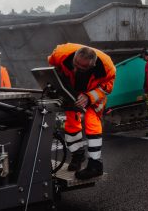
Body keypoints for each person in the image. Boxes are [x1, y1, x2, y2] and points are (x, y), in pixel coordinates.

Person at [48, 43, 116, 179]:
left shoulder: (107, 68)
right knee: (72, 121)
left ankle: (95, 165)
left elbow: (107, 87)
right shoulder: (61, 53)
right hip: (72, 90)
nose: (75, 70)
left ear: (92, 66)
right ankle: (78, 156)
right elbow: (51, 64)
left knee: (92, 122)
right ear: (74, 57)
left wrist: (89, 97)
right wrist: (58, 83)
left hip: (92, 94)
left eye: (80, 68)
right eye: (74, 65)